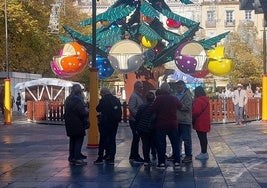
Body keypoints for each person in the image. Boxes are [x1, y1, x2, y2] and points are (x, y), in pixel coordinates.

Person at [152, 82, 183, 168]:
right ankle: (177, 161)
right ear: (169, 90)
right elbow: (180, 106)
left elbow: (153, 109)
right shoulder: (174, 98)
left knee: (161, 144)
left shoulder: (158, 99)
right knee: (175, 143)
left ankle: (161, 162)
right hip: (173, 124)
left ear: (161, 90)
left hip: (161, 124)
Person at [94, 87, 122, 165]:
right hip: (114, 123)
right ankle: (111, 158)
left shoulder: (103, 100)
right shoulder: (116, 99)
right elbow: (119, 111)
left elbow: (97, 109)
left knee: (103, 139)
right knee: (112, 140)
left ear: (103, 93)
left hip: (105, 123)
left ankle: (100, 157)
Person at [64, 84, 89, 165]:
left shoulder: (68, 99)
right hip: (78, 123)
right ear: (79, 91)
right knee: (78, 140)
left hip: (69, 123)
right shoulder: (78, 100)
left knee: (72, 140)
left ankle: (72, 157)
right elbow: (81, 112)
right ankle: (77, 158)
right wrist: (86, 112)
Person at [135, 91, 156, 166]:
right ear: (154, 98)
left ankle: (146, 160)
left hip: (142, 128)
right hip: (153, 128)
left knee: (145, 144)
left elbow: (137, 117)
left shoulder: (141, 106)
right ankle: (155, 155)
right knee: (154, 143)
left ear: (146, 98)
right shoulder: (155, 107)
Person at [175, 80, 193, 163]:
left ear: (183, 86)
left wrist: (179, 106)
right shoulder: (175, 95)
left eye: (180, 85)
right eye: (177, 86)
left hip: (185, 120)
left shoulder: (187, 95)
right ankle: (176, 153)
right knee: (177, 139)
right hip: (177, 120)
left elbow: (188, 107)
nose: (178, 87)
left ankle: (188, 155)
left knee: (186, 139)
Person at [128, 81, 145, 163]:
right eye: (139, 87)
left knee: (136, 138)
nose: (141, 89)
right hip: (134, 120)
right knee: (136, 138)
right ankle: (134, 155)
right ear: (135, 87)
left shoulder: (138, 96)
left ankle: (133, 155)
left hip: (137, 120)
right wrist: (138, 116)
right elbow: (131, 108)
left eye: (142, 87)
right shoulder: (134, 96)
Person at [192, 86, 211, 160]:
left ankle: (203, 152)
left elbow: (196, 111)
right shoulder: (206, 99)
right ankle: (204, 152)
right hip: (205, 121)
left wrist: (191, 115)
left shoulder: (198, 100)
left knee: (201, 137)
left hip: (200, 121)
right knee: (204, 137)